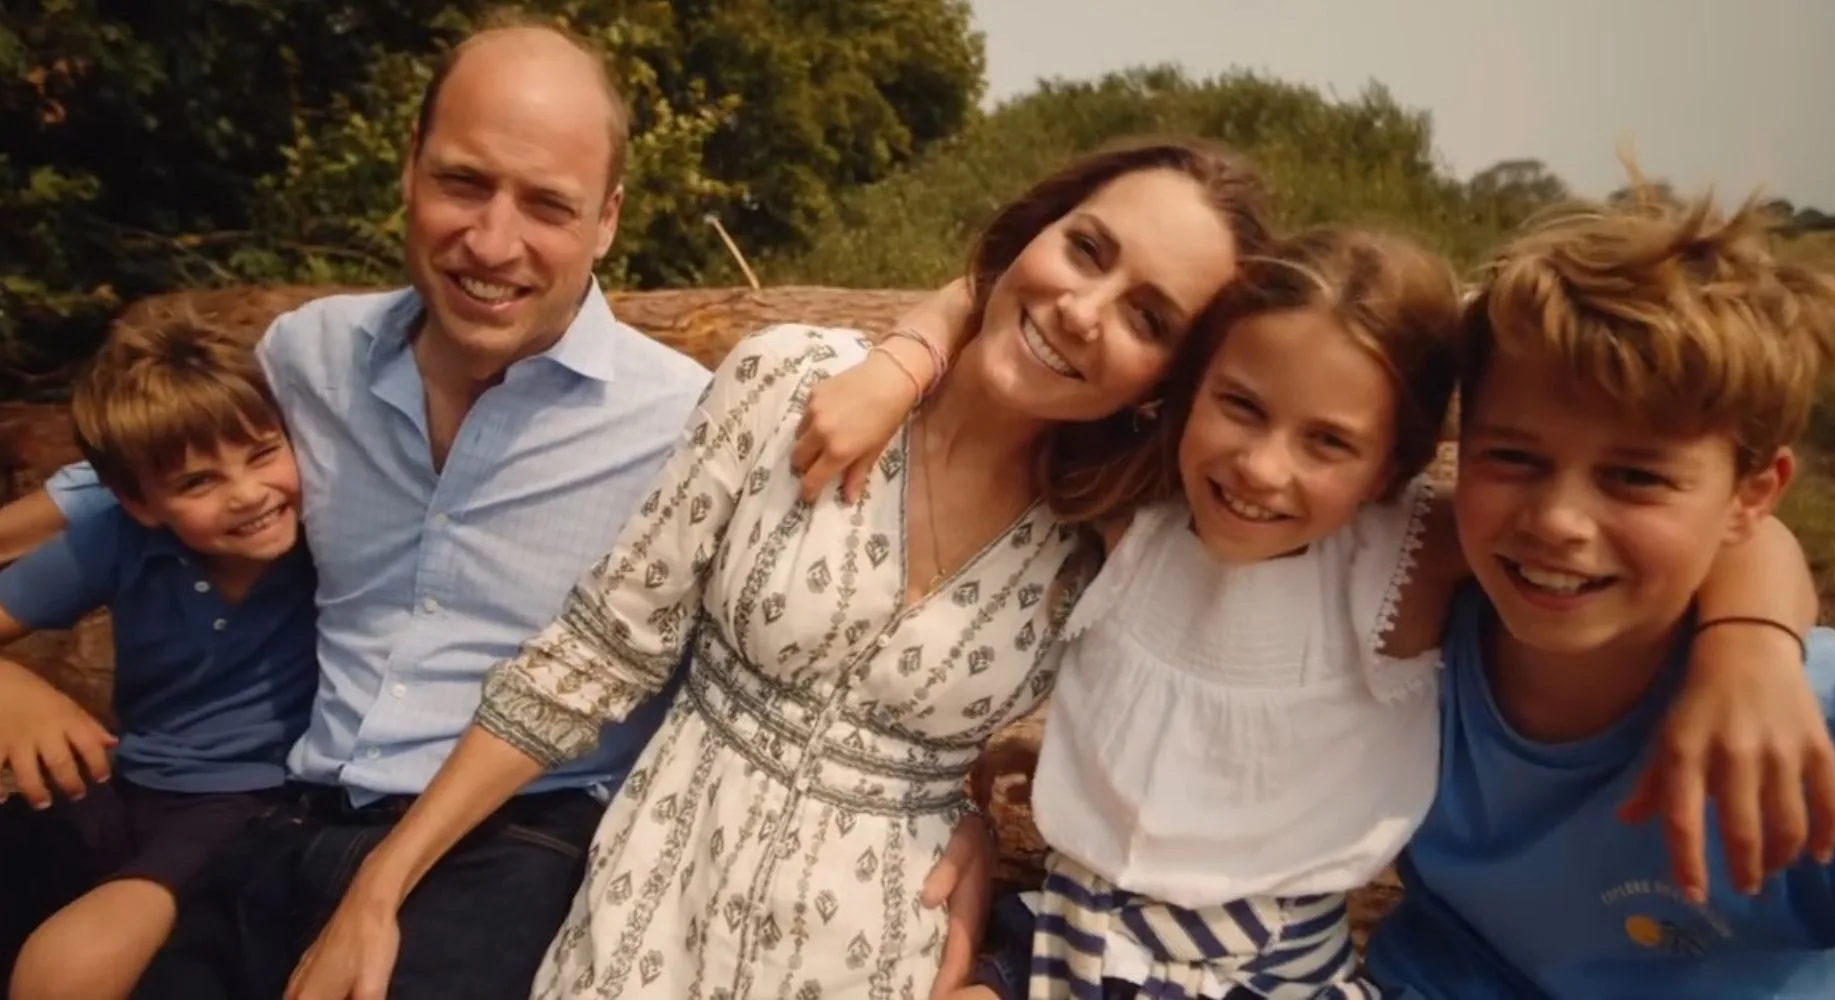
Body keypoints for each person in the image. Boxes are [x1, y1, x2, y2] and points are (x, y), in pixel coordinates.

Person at [1, 13, 998, 999]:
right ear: (411, 170)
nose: (492, 241)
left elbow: (856, 608)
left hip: (519, 838)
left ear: (608, 219)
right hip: (286, 818)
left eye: (548, 206)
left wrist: (949, 807)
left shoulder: (690, 423)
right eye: (463, 182)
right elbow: (131, 481)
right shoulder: (309, 361)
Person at [283, 136, 1277, 1000]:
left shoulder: (1102, 542)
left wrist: (976, 809)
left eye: (1149, 318)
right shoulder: (796, 380)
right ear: (1034, 232)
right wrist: (383, 881)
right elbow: (594, 655)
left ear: (1167, 382)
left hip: (885, 949)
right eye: (1086, 249)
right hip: (651, 915)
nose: (1083, 310)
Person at [790, 223, 1835, 999]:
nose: (1261, 467)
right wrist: (906, 358)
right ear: (1191, 389)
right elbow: (998, 301)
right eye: (1239, 406)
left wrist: (1751, 650)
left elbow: (1744, 536)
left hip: (1266, 974)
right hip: (1062, 937)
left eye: (1329, 442)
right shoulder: (1135, 504)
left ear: (1398, 457)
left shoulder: (1408, 555)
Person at [1362, 183, 1835, 997]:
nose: (1558, 521)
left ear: (1754, 496)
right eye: (1513, 458)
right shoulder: (1410, 625)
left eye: (1634, 477)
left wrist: (1753, 647)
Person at [0, 313, 318, 1000]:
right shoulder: (118, 539)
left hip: (252, 803)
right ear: (141, 503)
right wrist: (14, 692)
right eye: (199, 483)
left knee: (68, 968)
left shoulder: (327, 539)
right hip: (127, 779)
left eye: (263, 453)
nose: (247, 493)